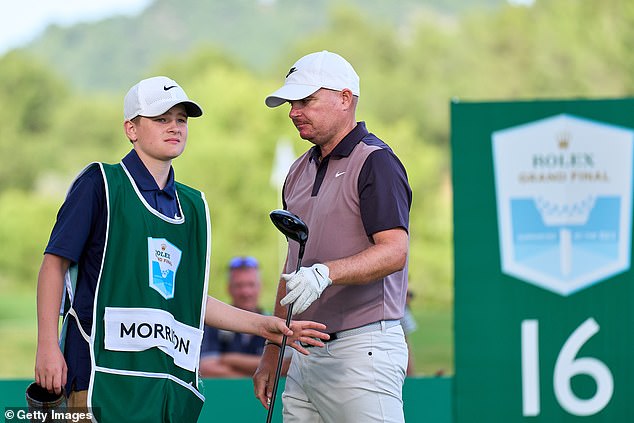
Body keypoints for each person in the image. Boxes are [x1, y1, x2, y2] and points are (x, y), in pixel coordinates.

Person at [34, 76, 329, 423]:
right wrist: (47, 346)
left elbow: (192, 300)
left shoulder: (193, 206)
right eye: (161, 119)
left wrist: (265, 325)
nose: (174, 127)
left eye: (181, 120)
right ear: (131, 128)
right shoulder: (101, 183)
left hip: (167, 390)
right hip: (100, 378)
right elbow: (53, 265)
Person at [254, 51, 413, 422]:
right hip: (305, 355)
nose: (294, 111)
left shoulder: (376, 161)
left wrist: (326, 272)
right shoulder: (298, 170)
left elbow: (394, 251)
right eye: (292, 102)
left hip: (364, 350)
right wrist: (273, 351)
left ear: (345, 99)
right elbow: (293, 265)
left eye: (306, 100)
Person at [200, 256, 291, 377]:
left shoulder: (276, 324)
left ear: (260, 287)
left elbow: (285, 366)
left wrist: (229, 359)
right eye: (239, 285)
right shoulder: (213, 323)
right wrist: (257, 378)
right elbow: (206, 367)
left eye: (251, 285)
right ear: (228, 288)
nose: (245, 292)